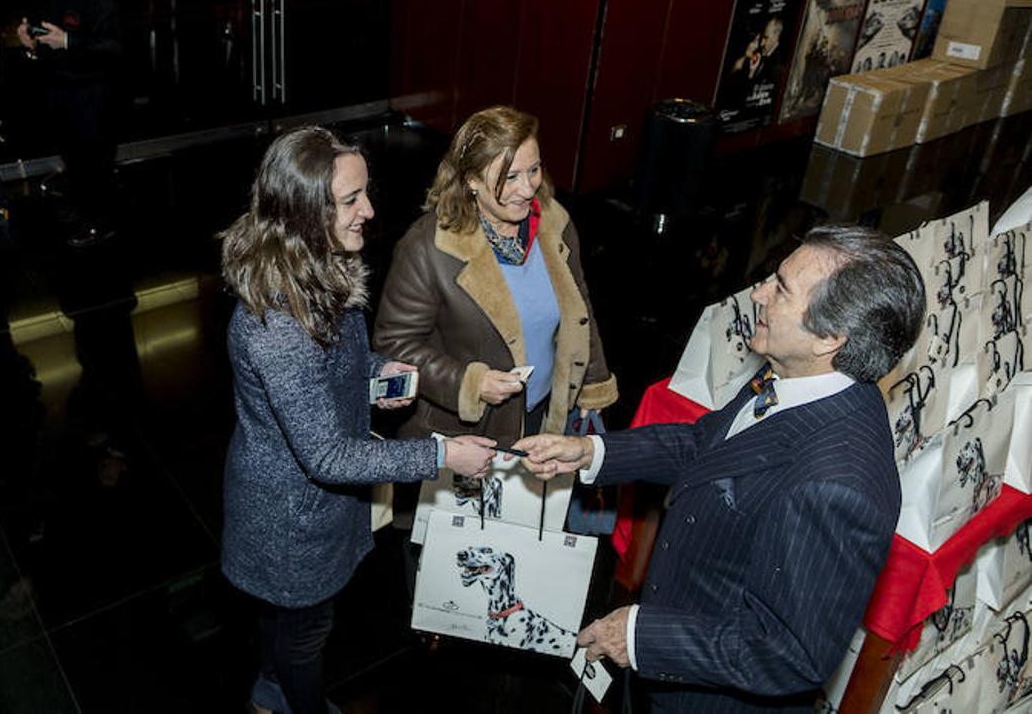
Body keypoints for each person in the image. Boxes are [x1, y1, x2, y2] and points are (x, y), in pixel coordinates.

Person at [515, 224, 924, 712]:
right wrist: (592, 453)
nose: (758, 293)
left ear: (830, 338)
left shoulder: (839, 485)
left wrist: (643, 635)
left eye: (781, 289)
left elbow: (788, 652)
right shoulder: (794, 379)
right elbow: (707, 445)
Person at [221, 127, 496, 714]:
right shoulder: (279, 324)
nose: (369, 211)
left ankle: (268, 688)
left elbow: (333, 368)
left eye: (364, 194)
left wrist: (376, 375)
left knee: (285, 616)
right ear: (303, 209)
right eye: (351, 200)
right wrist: (444, 454)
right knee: (305, 632)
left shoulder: (313, 268)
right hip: (292, 520)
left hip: (308, 506)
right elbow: (329, 456)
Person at [374, 106, 618, 450]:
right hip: (469, 433)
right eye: (509, 177)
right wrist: (469, 383)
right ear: (471, 180)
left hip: (546, 413)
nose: (528, 188)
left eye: (533, 170)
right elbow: (394, 345)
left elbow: (580, 309)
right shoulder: (427, 248)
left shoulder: (553, 222)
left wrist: (593, 386)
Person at [17, 0, 121, 247]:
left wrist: (67, 43)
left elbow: (115, 49)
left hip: (95, 99)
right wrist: (30, 44)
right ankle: (81, 211)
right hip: (61, 97)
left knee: (96, 165)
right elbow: (42, 38)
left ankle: (100, 223)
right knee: (74, 162)